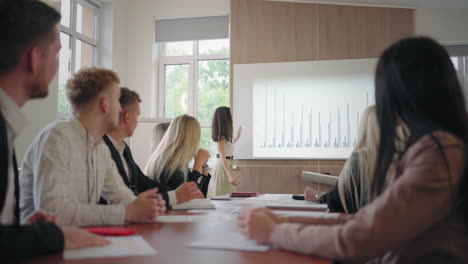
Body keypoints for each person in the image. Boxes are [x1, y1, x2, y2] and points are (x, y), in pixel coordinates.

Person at [237, 37, 468, 263]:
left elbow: (362, 237)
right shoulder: (432, 148)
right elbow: (362, 221)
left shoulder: (439, 153)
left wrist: (274, 232)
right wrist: (281, 222)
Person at [0, 0, 108, 260]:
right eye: (57, 53)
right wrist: (53, 236)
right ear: (34, 58)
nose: (59, 67)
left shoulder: (7, 123)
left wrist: (26, 231)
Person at [20, 67, 166, 227]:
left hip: (76, 240)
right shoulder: (57, 137)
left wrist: (145, 205)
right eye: (117, 100)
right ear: (105, 104)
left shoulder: (100, 148)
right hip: (41, 247)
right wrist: (128, 212)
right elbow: (52, 211)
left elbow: (123, 198)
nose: (120, 108)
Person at [104, 87, 202, 207]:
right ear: (127, 117)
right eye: (137, 116)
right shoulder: (103, 150)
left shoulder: (124, 149)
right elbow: (122, 200)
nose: (137, 122)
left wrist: (178, 194)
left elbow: (144, 183)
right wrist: (175, 195)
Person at [144, 115, 211, 196]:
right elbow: (191, 195)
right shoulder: (168, 164)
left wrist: (204, 167)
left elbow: (202, 194)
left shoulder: (179, 163)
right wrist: (198, 163)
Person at [207, 107, 241, 198]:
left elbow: (229, 145)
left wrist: (237, 136)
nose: (231, 119)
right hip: (222, 165)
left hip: (227, 164)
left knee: (227, 192)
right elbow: (222, 156)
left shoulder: (225, 136)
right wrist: (230, 175)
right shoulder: (220, 137)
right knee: (221, 193)